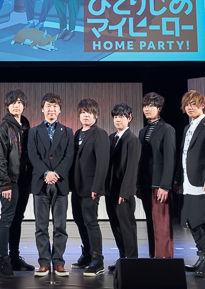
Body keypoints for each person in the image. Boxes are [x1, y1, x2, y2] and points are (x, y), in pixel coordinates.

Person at [28, 92, 74, 277]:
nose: (51, 109)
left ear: (60, 110)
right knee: (41, 227)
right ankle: (44, 263)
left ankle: (59, 262)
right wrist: (46, 173)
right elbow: (33, 155)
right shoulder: (33, 131)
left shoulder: (68, 132)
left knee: (60, 226)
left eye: (55, 106)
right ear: (42, 109)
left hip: (60, 183)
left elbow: (69, 156)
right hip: (40, 182)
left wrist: (56, 174)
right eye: (48, 106)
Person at [176, 90, 205, 277]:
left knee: (204, 221)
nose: (190, 107)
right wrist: (178, 179)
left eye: (193, 104)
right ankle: (202, 257)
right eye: (187, 105)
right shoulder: (187, 128)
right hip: (187, 181)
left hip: (201, 181)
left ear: (202, 105)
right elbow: (183, 155)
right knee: (192, 221)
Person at [0, 89, 33, 278]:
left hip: (24, 181)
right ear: (7, 106)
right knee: (7, 219)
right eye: (13, 102)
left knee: (17, 219)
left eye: (19, 102)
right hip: (10, 181)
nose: (16, 105)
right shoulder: (3, 127)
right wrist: (4, 183)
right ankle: (4, 260)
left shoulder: (26, 126)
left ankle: (15, 258)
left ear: (24, 105)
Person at [69, 98, 110, 276]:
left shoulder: (99, 134)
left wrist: (97, 187)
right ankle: (86, 255)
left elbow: (102, 163)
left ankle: (97, 260)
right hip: (77, 188)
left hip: (90, 188)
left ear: (96, 115)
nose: (86, 115)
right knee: (79, 221)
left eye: (90, 112)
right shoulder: (78, 133)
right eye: (83, 112)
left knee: (91, 222)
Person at [137, 92, 176, 258]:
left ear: (159, 108)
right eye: (145, 106)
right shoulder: (142, 131)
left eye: (151, 106)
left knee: (162, 226)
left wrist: (165, 186)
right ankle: (153, 257)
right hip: (145, 185)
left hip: (160, 186)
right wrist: (138, 184)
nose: (147, 109)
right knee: (151, 224)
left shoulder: (167, 129)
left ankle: (164, 260)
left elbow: (170, 159)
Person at [105, 103, 140, 271]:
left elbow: (132, 169)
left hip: (123, 193)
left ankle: (131, 261)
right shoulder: (111, 138)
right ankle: (122, 258)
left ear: (129, 118)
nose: (118, 119)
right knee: (116, 226)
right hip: (110, 191)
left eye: (121, 116)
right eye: (115, 116)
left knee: (127, 228)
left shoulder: (132, 140)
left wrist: (125, 193)